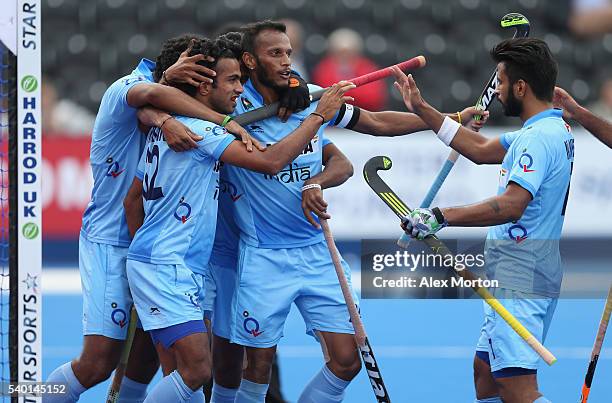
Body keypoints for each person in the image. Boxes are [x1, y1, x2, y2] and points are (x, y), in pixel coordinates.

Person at [219, 20, 486, 403]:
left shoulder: (310, 96)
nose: (285, 61)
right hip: (263, 256)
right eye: (274, 53)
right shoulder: (232, 104)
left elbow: (377, 123)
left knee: (347, 361)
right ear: (249, 60)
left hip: (317, 252)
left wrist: (450, 119)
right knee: (256, 369)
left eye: (288, 53)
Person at [122, 35, 354, 403]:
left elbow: (133, 199)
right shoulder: (204, 131)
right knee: (194, 371)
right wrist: (316, 117)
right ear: (203, 85)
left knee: (211, 366)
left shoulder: (172, 125)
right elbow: (271, 161)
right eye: (231, 81)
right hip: (172, 264)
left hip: (189, 262)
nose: (239, 88)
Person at [43, 34, 257, 403]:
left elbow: (155, 107)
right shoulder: (127, 87)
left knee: (169, 362)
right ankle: (28, 395)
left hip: (154, 246)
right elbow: (147, 100)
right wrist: (221, 120)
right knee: (98, 363)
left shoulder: (171, 105)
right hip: (113, 241)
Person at [395, 38, 572, 403]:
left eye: (503, 83)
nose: (500, 90)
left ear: (521, 87)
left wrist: (441, 216)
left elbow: (511, 206)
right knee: (486, 375)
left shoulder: (538, 139)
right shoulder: (544, 130)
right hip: (522, 268)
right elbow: (477, 150)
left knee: (517, 388)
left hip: (522, 274)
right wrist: (422, 108)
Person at [312, 27, 387, 111]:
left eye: (349, 52)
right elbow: (324, 92)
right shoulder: (324, 68)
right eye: (340, 52)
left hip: (364, 116)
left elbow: (374, 97)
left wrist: (343, 92)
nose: (345, 56)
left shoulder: (367, 67)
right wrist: (355, 91)